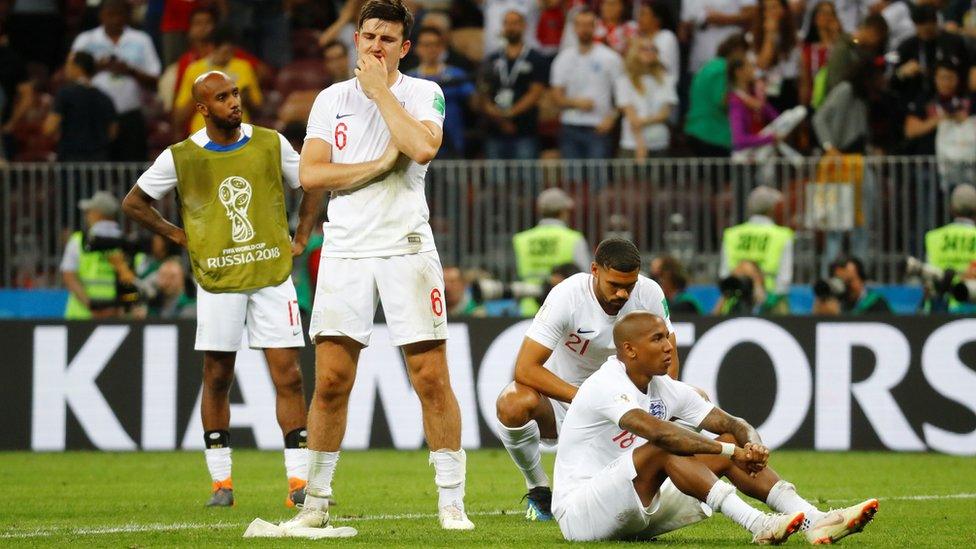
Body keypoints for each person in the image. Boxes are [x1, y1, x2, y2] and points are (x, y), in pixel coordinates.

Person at [283, 0, 475, 533]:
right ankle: (316, 504)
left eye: (387, 40)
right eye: (368, 36)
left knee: (431, 377)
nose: (375, 46)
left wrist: (381, 93)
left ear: (404, 48)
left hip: (406, 245)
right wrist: (376, 166)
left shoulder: (422, 92)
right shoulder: (330, 98)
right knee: (331, 382)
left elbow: (421, 148)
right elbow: (312, 174)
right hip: (343, 248)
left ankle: (451, 503)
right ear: (356, 39)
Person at [122, 71, 324, 508]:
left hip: (272, 277)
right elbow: (133, 203)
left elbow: (313, 182)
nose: (234, 101)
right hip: (217, 281)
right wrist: (177, 235)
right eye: (222, 97)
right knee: (217, 376)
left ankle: (298, 484)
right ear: (202, 109)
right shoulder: (181, 156)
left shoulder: (270, 142)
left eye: (234, 93)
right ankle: (221, 484)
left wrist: (303, 234)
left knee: (288, 375)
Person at [552, 311, 879, 544]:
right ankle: (758, 523)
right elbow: (662, 435)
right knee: (670, 445)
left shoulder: (663, 387)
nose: (668, 346)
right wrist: (731, 451)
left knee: (721, 442)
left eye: (667, 337)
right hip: (581, 512)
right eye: (657, 339)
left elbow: (732, 424)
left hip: (632, 504)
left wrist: (752, 444)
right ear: (629, 350)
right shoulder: (606, 384)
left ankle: (813, 520)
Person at [495, 238, 677, 522]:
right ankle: (539, 489)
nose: (622, 294)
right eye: (614, 284)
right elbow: (525, 369)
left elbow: (669, 354)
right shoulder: (567, 295)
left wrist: (660, 410)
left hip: (622, 407)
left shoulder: (649, 293)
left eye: (629, 286)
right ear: (594, 270)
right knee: (513, 403)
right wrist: (585, 398)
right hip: (564, 399)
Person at [70, 0, 160, 161]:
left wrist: (130, 71)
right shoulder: (86, 40)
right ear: (101, 16)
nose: (115, 19)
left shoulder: (141, 39)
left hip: (130, 115)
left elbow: (155, 79)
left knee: (133, 170)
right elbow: (71, 75)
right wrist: (98, 66)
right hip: (94, 116)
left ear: (127, 16)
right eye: (110, 15)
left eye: (119, 14)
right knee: (97, 170)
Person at [550, 8, 624, 159]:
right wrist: (575, 103)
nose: (584, 29)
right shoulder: (563, 58)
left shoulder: (610, 58)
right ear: (574, 28)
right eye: (580, 25)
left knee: (597, 177)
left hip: (599, 127)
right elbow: (556, 96)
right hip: (570, 125)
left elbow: (623, 94)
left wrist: (612, 118)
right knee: (572, 180)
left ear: (595, 27)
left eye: (589, 25)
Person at [476, 9, 547, 160]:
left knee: (527, 180)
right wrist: (500, 119)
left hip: (525, 129)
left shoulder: (536, 59)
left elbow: (535, 93)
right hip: (494, 130)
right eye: (507, 23)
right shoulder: (492, 59)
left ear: (524, 26)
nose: (511, 27)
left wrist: (510, 113)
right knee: (497, 181)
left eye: (515, 23)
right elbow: (483, 92)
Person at [512, 188, 591, 316]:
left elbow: (514, 273)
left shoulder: (521, 239)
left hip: (528, 307)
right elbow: (585, 277)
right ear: (564, 211)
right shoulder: (574, 238)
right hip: (563, 308)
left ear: (539, 210)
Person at [174, 27, 263, 136]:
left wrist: (245, 98)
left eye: (230, 52)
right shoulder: (194, 70)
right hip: (203, 133)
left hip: (239, 132)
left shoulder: (243, 67)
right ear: (211, 48)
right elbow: (179, 115)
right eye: (224, 52)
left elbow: (258, 106)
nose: (227, 57)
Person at [407, 26, 475, 159]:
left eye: (435, 44)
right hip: (419, 148)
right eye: (426, 45)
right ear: (417, 49)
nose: (431, 49)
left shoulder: (456, 75)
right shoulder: (409, 79)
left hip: (453, 146)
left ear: (442, 48)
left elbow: (475, 104)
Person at [719, 186, 793, 306]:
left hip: (734, 300)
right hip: (771, 301)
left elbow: (724, 273)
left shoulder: (732, 234)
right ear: (772, 208)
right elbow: (784, 279)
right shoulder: (782, 235)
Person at [61, 191, 129, 320]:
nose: (87, 216)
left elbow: (69, 276)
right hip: (115, 317)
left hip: (81, 317)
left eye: (89, 211)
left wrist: (91, 307)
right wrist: (117, 309)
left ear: (97, 214)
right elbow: (131, 281)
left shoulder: (78, 240)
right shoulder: (125, 244)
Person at [43, 51, 117, 162]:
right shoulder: (104, 97)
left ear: (77, 67)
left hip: (71, 161)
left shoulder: (65, 94)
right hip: (99, 161)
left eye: (68, 64)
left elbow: (49, 128)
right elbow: (113, 132)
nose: (66, 69)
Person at [684, 33, 749, 157]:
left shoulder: (709, 66)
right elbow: (722, 101)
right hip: (712, 134)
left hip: (697, 129)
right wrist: (744, 96)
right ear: (738, 51)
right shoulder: (722, 68)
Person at [615, 37, 678, 159]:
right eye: (644, 49)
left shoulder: (666, 79)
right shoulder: (624, 80)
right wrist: (640, 143)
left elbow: (664, 113)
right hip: (631, 143)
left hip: (659, 141)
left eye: (653, 49)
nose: (649, 52)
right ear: (634, 52)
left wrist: (642, 121)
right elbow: (630, 114)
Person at [924, 184, 976, 312]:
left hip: (939, 311)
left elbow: (927, 278)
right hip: (971, 310)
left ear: (951, 208)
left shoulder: (933, 237)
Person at [681, 0, 755, 76]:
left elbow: (752, 15)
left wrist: (722, 19)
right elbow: (683, 33)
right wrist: (692, 24)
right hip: (699, 65)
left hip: (732, 64)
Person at [751, 0, 799, 112]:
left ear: (784, 10)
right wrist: (770, 33)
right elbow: (763, 64)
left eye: (774, 7)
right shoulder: (754, 38)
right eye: (766, 9)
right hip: (769, 90)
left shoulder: (793, 37)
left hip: (790, 87)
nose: (770, 13)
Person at [727, 56, 779, 157]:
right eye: (750, 66)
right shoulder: (734, 101)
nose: (753, 70)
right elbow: (740, 139)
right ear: (738, 72)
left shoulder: (753, 96)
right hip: (745, 158)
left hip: (761, 154)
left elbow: (777, 118)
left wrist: (762, 105)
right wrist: (770, 138)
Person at [799, 0, 841, 107]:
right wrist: (803, 108)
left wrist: (837, 34)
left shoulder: (840, 45)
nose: (827, 17)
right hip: (817, 104)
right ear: (815, 18)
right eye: (822, 13)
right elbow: (805, 84)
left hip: (838, 101)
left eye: (830, 13)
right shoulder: (808, 50)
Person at [819, 256, 892, 314]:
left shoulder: (877, 303)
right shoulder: (834, 303)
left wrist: (839, 316)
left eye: (849, 281)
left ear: (862, 279)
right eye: (839, 281)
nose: (844, 286)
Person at [635, 1, 679, 82]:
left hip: (662, 90)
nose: (639, 18)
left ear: (656, 20)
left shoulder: (667, 37)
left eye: (643, 14)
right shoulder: (641, 38)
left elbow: (661, 66)